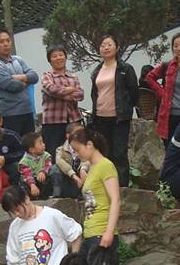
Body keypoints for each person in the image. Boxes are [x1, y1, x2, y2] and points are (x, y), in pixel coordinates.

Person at [68, 129, 121, 265]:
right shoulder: (92, 168)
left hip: (101, 231)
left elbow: (115, 199)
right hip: (91, 232)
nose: (77, 154)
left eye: (77, 150)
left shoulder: (105, 166)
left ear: (89, 144)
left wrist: (109, 232)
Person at [90, 34, 139, 187]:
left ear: (117, 47)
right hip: (100, 117)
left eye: (109, 44)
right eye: (103, 45)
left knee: (119, 153)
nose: (106, 47)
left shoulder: (125, 68)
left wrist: (126, 108)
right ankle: (108, 187)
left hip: (119, 118)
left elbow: (134, 92)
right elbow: (94, 93)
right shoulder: (97, 70)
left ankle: (123, 188)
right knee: (105, 153)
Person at [0, 28, 38, 136]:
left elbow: (35, 77)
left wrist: (19, 77)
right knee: (15, 149)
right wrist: (27, 81)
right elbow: (13, 86)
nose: (6, 44)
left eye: (8, 40)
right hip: (11, 115)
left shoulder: (17, 59)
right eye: (1, 42)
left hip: (27, 111)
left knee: (30, 148)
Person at [41, 45, 84, 159]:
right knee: (53, 153)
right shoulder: (47, 76)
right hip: (53, 122)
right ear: (50, 60)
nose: (58, 58)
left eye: (61, 55)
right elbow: (51, 89)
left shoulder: (73, 77)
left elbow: (80, 94)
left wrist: (60, 94)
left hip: (73, 120)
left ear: (65, 57)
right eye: (54, 56)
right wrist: (69, 90)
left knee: (76, 152)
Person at [53, 122, 87, 199]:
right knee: (54, 168)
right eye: (78, 133)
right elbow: (59, 162)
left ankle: (85, 192)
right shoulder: (60, 150)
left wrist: (83, 169)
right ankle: (57, 194)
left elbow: (88, 160)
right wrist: (73, 175)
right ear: (68, 136)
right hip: (70, 179)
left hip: (83, 177)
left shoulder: (87, 147)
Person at [19, 132, 55, 200]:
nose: (44, 145)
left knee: (52, 173)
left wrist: (43, 172)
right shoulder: (24, 162)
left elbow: (48, 165)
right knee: (23, 184)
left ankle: (48, 195)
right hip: (31, 182)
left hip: (43, 178)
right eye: (40, 143)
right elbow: (27, 175)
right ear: (32, 149)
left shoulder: (46, 155)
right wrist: (32, 185)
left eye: (43, 142)